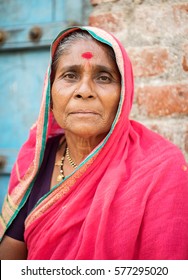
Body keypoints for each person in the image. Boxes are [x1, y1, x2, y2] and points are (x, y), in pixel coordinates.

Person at [0, 26, 188, 260]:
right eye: (70, 76)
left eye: (103, 77)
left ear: (123, 94)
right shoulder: (36, 159)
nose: (85, 91)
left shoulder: (161, 168)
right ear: (50, 92)